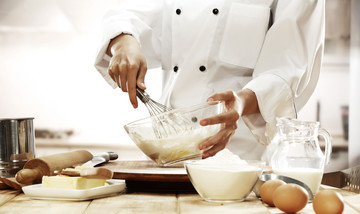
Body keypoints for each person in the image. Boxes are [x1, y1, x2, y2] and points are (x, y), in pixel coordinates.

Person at [94, 0, 325, 160]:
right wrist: (124, 42)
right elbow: (129, 14)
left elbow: (288, 66)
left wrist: (241, 102)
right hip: (169, 150)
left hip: (238, 157)